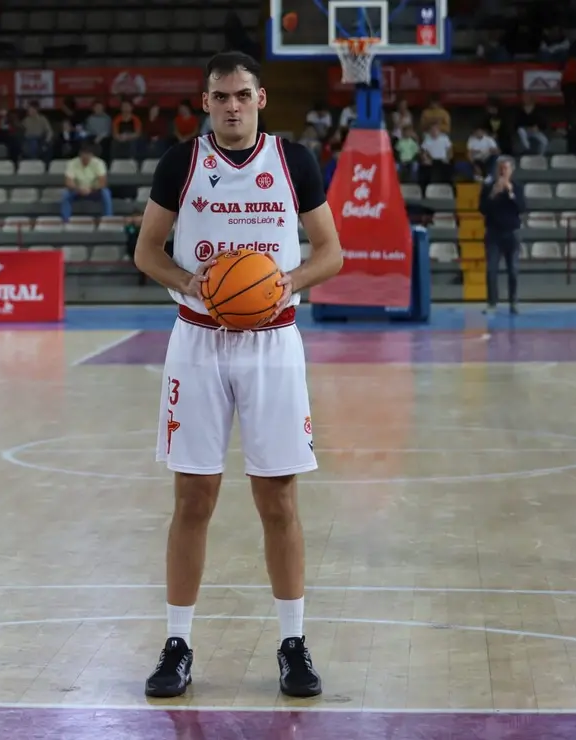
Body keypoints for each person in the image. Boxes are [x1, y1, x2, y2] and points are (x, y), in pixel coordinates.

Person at [132, 51, 343, 700]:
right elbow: (147, 251)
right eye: (219, 97)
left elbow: (331, 253)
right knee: (193, 498)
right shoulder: (182, 163)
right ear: (204, 103)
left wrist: (288, 280)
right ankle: (177, 642)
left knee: (277, 499)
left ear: (261, 98)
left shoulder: (294, 161)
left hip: (272, 341)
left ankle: (292, 641)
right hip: (197, 341)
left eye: (241, 96)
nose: (231, 106)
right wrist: (186, 280)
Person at [478, 158, 527, 314]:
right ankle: (492, 303)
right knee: (491, 270)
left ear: (511, 170)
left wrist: (511, 192)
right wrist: (493, 194)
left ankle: (514, 302)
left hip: (512, 233)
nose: (502, 172)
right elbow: (482, 209)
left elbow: (522, 208)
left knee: (513, 269)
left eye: (505, 168)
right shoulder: (487, 187)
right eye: (500, 169)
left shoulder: (518, 187)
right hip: (493, 234)